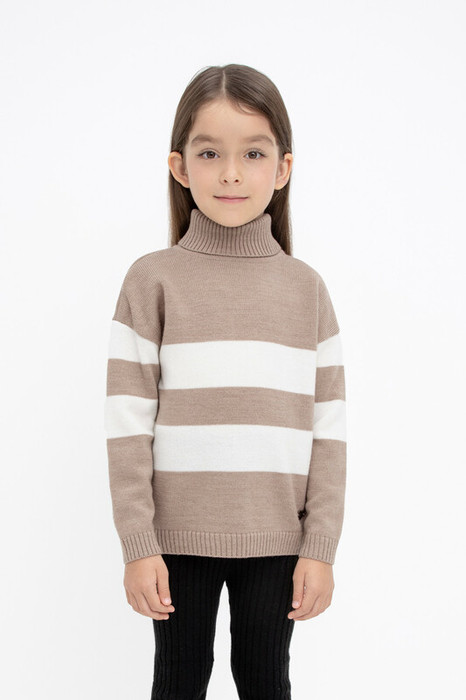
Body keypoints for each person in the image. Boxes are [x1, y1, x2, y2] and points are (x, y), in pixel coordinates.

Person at [104, 63, 347, 700]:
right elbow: (127, 426)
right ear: (180, 167)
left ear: (283, 168)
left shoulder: (306, 289)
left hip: (278, 540)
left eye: (253, 153)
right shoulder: (152, 280)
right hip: (174, 541)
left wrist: (320, 547)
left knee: (265, 682)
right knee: (179, 680)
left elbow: (329, 432)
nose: (231, 173)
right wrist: (138, 545)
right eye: (210, 153)